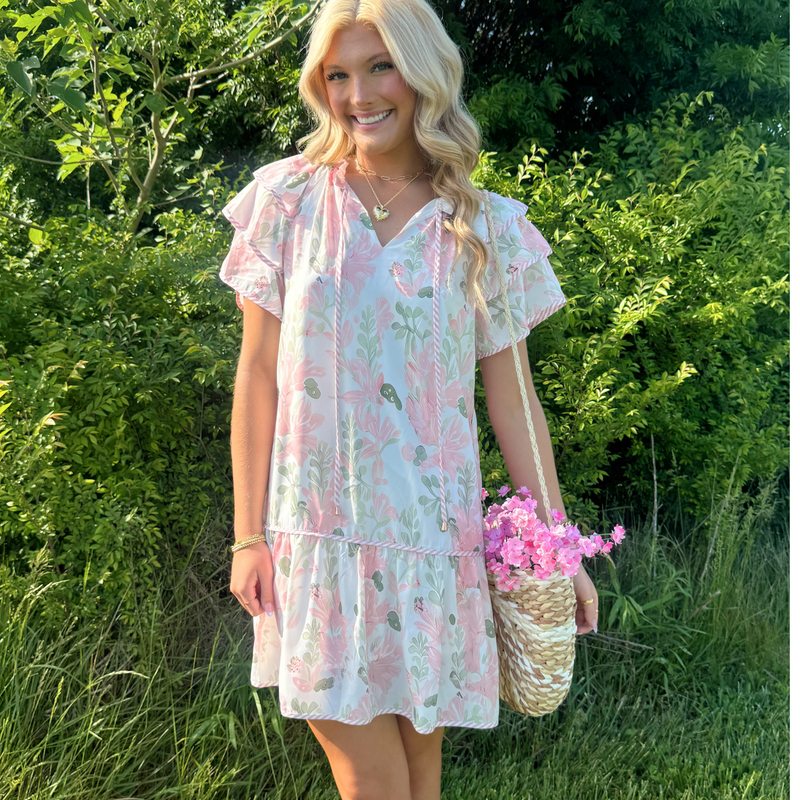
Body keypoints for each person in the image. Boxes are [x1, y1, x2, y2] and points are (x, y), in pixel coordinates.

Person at [220, 1, 599, 797]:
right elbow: (256, 375)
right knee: (376, 783)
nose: (358, 95)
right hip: (318, 544)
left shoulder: (483, 227)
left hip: (432, 549)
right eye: (338, 74)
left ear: (424, 73)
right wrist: (247, 535)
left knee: (420, 779)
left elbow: (516, 403)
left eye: (380, 67)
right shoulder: (287, 204)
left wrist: (558, 552)